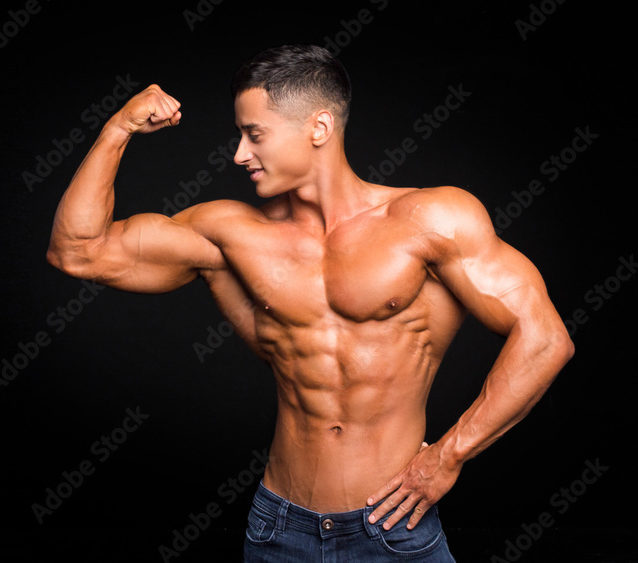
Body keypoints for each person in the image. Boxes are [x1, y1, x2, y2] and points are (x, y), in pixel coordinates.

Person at [45, 44, 573, 561]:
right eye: (239, 136)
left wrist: (449, 456)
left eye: (255, 135)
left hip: (393, 528)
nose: (239, 154)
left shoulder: (430, 220)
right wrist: (119, 128)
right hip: (279, 528)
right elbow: (77, 252)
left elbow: (545, 338)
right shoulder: (230, 234)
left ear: (318, 129)